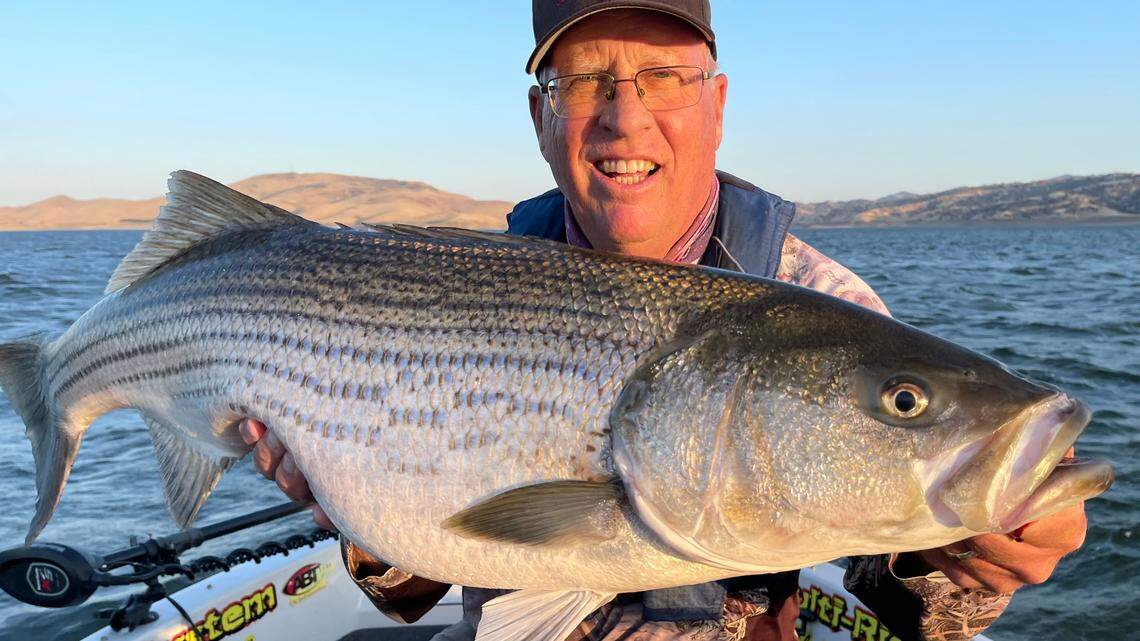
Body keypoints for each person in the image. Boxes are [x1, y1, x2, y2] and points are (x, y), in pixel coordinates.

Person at [240, 2, 1090, 639]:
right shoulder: (450, 289)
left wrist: (977, 558)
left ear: (716, 105)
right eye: (582, 82)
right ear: (542, 119)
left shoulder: (823, 304)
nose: (625, 115)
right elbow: (405, 589)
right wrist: (348, 504)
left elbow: (904, 598)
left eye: (664, 78)